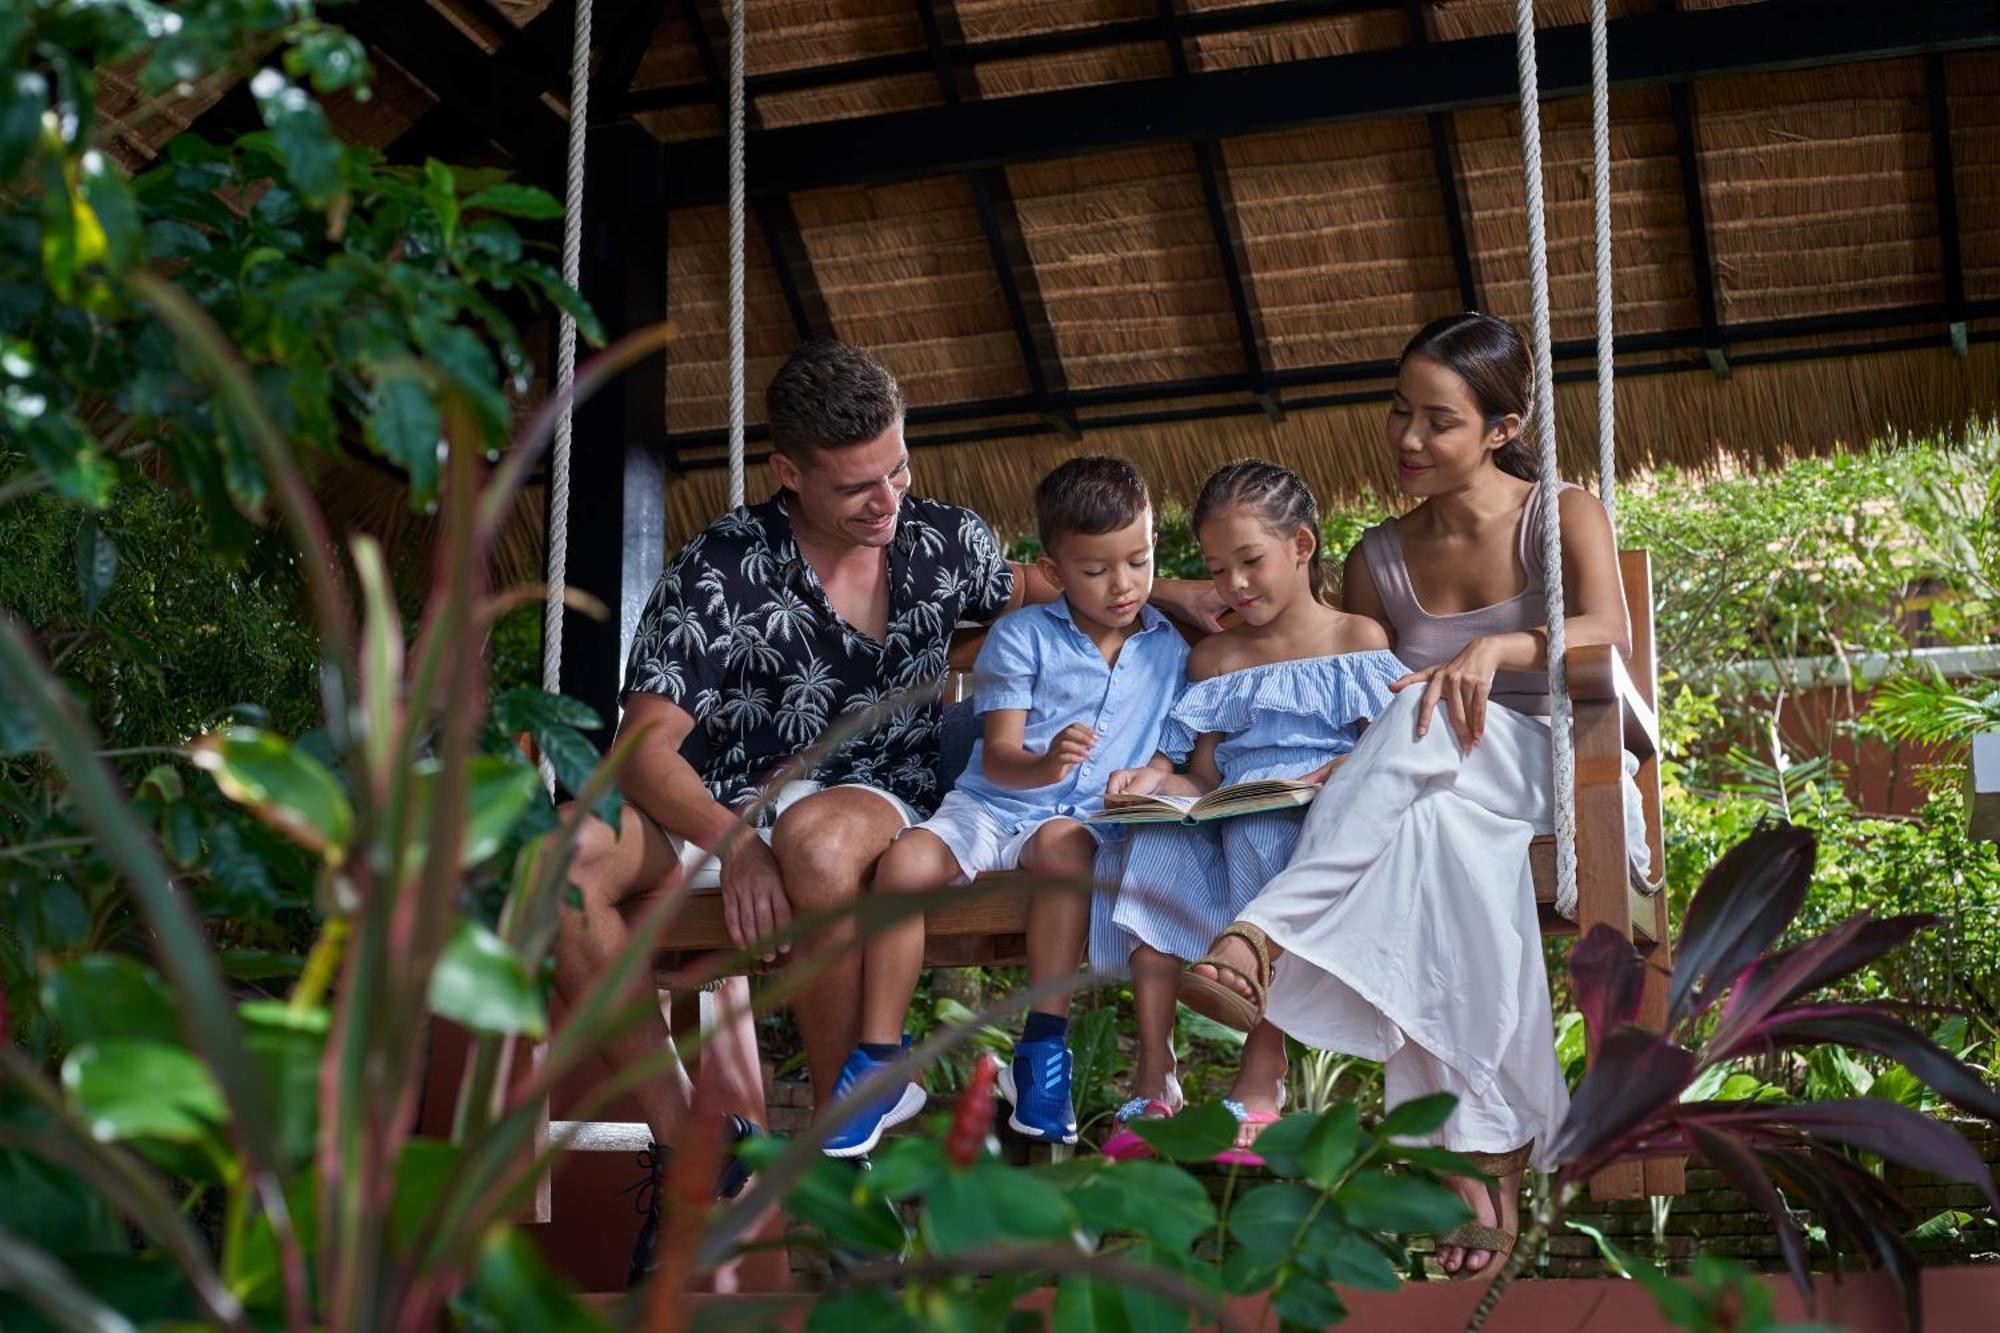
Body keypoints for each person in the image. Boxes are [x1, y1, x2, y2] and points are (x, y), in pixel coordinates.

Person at [551, 342, 1223, 1284]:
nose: (888, 499)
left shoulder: (943, 540)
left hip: (867, 789)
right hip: (709, 801)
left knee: (816, 842)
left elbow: (1040, 584)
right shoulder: (721, 567)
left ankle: (845, 1155)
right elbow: (644, 746)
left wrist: (1179, 593)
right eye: (857, 484)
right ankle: (690, 1149)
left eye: (898, 467)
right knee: (566, 872)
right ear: (789, 473)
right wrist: (735, 844)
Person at [1178, 313, 1651, 1278]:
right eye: (1399, 413)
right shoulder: (1378, 556)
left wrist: (1500, 646)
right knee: (1436, 840)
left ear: (1501, 426)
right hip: (1438, 789)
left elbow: (1608, 633)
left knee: (1421, 723)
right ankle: (1482, 1162)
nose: (1406, 440)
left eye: (1437, 420)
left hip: (1559, 767)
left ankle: (1265, 932)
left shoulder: (1559, 512)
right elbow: (1362, 703)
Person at [822, 457, 1192, 1156]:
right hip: (992, 802)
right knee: (903, 866)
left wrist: (1154, 771)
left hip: (1081, 823)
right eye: (1096, 570)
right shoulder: (1022, 636)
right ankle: (880, 1059)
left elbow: (1175, 744)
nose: (1123, 585)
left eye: (1138, 561)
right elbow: (996, 757)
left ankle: (1043, 1052)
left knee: (1067, 849)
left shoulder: (1167, 649)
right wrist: (1047, 761)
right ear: (1051, 570)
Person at [1088, 460, 1401, 1163]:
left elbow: (1393, 755)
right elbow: (1200, 774)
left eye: (1250, 560)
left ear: (1302, 545)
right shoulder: (1218, 659)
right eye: (1217, 568)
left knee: (1265, 830)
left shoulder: (1357, 640)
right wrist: (1156, 780)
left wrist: (1336, 773)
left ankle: (1263, 1075)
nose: (1234, 585)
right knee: (1149, 846)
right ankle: (1153, 1072)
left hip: (1314, 826)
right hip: (1225, 814)